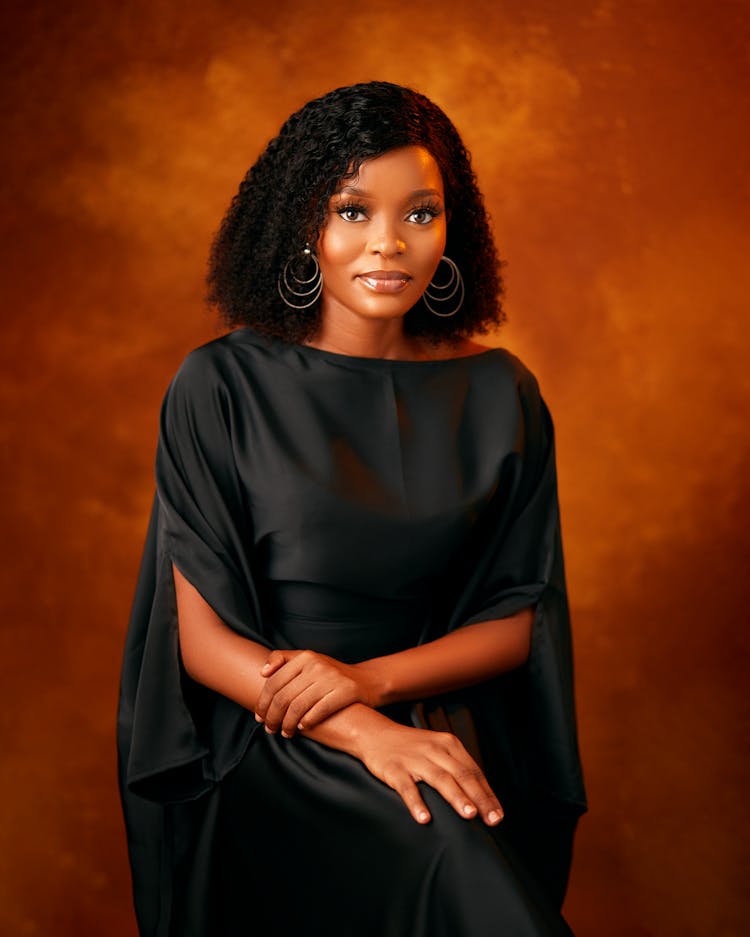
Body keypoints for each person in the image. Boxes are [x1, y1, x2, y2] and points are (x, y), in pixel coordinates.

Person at [117, 81, 587, 937]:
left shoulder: (500, 391)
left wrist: (373, 687)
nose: (388, 243)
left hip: (425, 725)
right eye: (352, 209)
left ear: (453, 230)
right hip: (273, 742)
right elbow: (204, 643)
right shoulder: (219, 385)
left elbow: (518, 621)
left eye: (419, 214)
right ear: (306, 224)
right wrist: (363, 730)